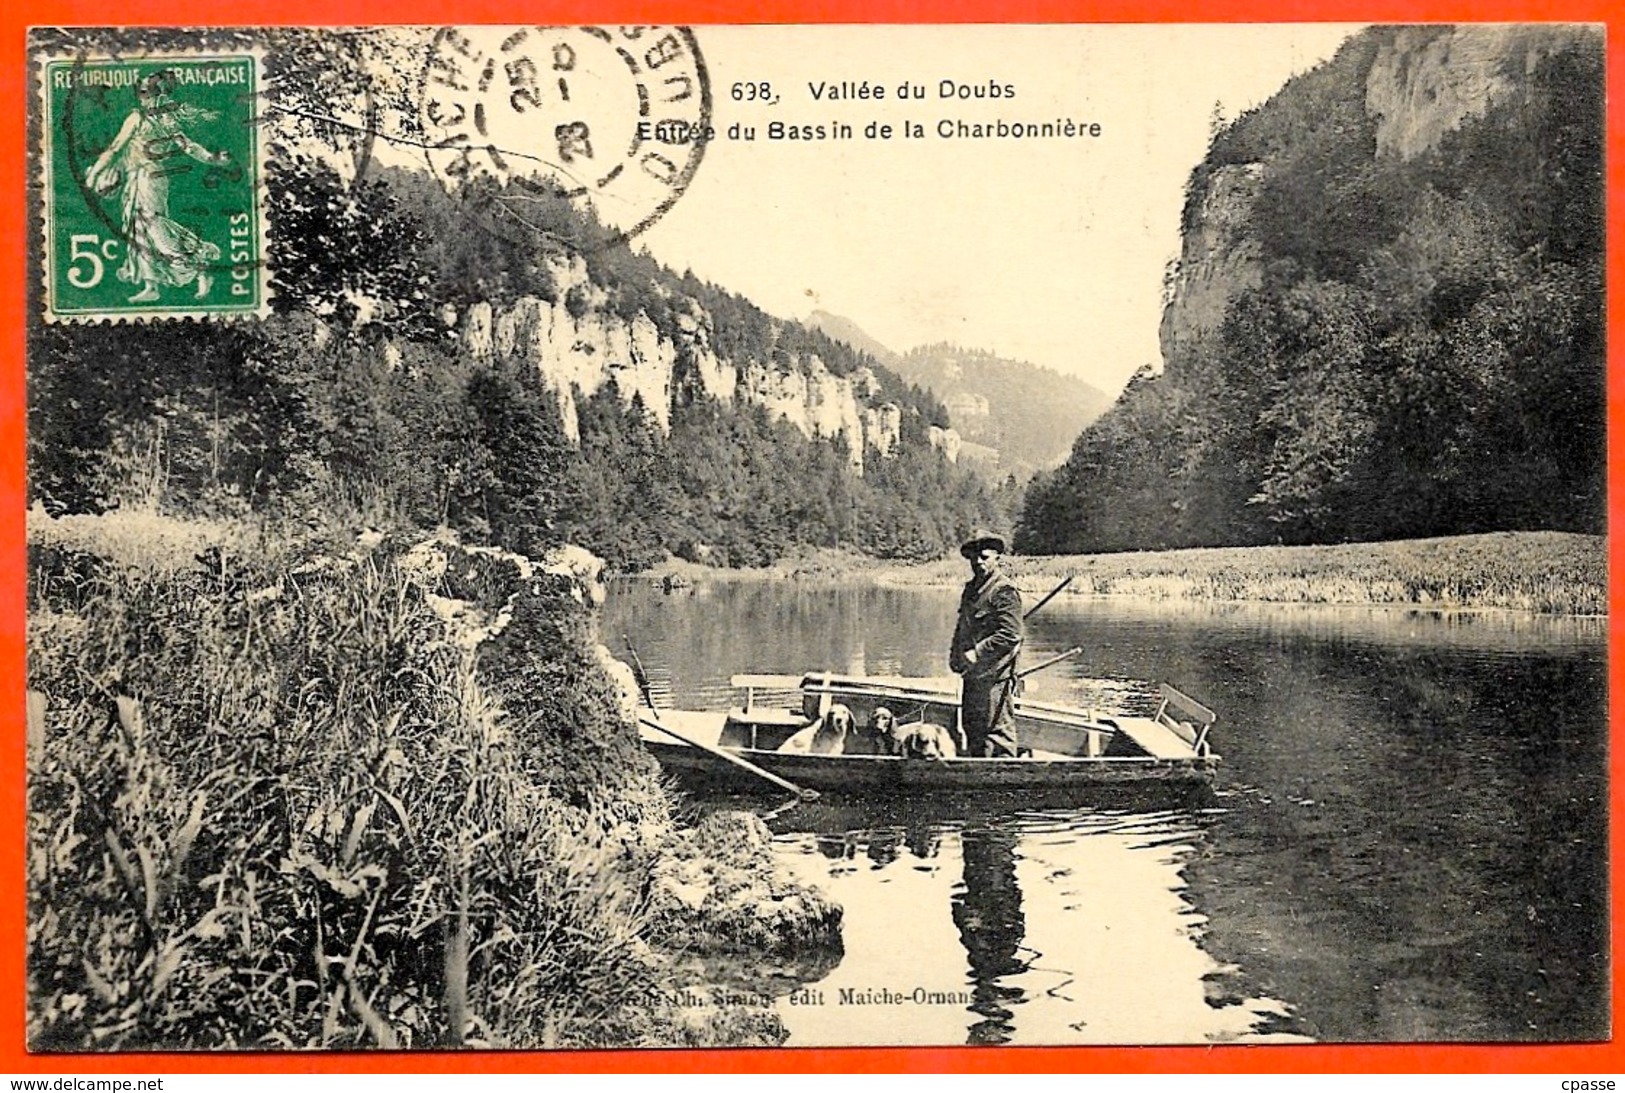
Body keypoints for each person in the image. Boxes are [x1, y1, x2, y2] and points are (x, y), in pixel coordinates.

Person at [85, 69, 228, 303]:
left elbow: (114, 149)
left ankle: (199, 257)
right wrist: (212, 158)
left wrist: (93, 178)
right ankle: (151, 285)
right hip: (147, 179)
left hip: (147, 179)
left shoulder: (138, 118)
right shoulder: (165, 119)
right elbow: (189, 147)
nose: (143, 97)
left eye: (144, 92)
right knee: (139, 229)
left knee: (151, 227)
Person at [949, 529, 1024, 757]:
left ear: (997, 558)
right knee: (972, 730)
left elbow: (1011, 634)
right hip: (972, 675)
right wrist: (955, 657)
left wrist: (978, 652)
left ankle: (1002, 784)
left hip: (995, 677)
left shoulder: (1004, 591)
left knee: (998, 736)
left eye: (984, 557)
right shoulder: (970, 590)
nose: (978, 562)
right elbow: (962, 627)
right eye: (974, 557)